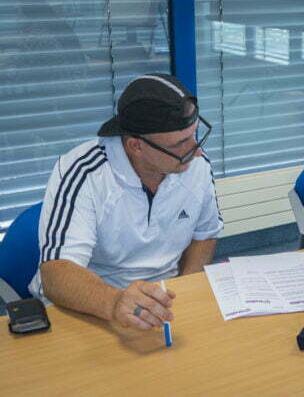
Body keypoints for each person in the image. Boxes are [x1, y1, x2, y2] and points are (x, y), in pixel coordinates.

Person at [28, 74, 223, 330]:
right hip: (93, 306)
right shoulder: (84, 172)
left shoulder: (193, 163)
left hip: (165, 300)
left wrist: (186, 290)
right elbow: (56, 273)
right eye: (181, 143)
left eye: (194, 134)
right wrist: (115, 302)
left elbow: (205, 235)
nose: (197, 150)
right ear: (136, 146)